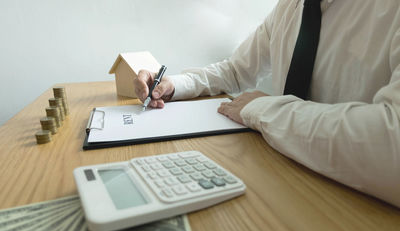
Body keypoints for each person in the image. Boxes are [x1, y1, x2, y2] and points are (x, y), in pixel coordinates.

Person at [133, 0, 400, 208]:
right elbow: (236, 70)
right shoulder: (290, 7)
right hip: (279, 179)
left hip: (353, 208)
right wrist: (176, 85)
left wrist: (264, 109)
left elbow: (393, 145)